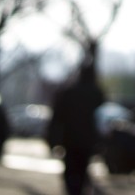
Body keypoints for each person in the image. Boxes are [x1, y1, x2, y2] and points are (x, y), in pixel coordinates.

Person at [47, 63, 106, 195]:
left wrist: (52, 140)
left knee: (71, 170)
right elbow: (103, 117)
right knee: (82, 168)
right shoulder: (97, 94)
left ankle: (72, 190)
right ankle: (79, 190)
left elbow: (57, 118)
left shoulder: (69, 93)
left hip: (70, 139)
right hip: (88, 140)